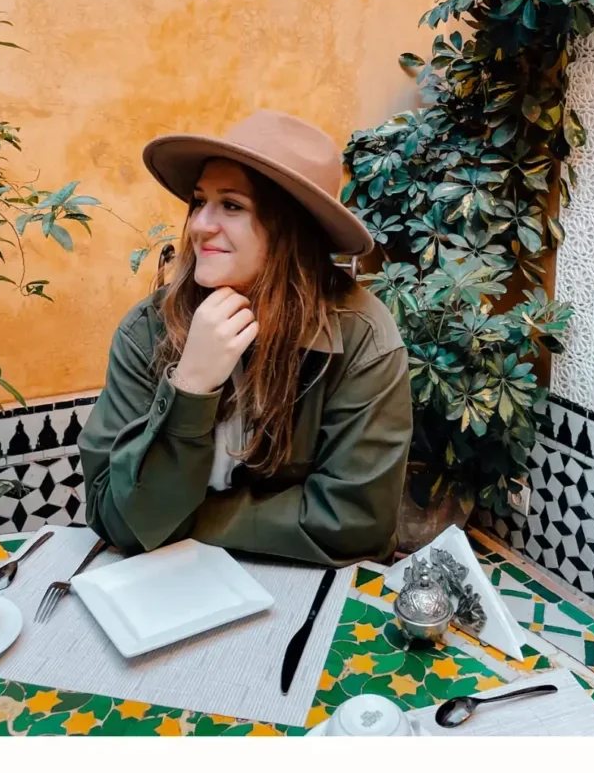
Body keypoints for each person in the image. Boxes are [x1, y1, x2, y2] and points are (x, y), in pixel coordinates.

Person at [79, 110, 411, 567]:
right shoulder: (147, 330)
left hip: (306, 587)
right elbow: (111, 516)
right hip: (164, 587)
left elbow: (355, 524)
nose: (199, 225)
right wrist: (191, 385)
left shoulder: (361, 337)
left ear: (291, 229)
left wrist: (183, 521)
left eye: (231, 206)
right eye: (199, 202)